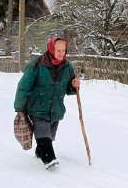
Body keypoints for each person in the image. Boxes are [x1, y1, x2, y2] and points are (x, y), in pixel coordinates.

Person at [14, 36, 81, 169]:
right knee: (42, 129)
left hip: (56, 108)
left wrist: (74, 86)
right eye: (58, 50)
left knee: (50, 134)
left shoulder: (67, 67)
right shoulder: (37, 65)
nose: (61, 53)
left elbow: (68, 89)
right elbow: (24, 86)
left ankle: (40, 152)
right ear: (51, 49)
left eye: (63, 50)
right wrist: (20, 108)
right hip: (37, 106)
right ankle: (48, 158)